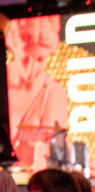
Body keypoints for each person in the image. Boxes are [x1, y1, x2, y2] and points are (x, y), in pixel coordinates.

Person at [5, 15, 68, 173]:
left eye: (40, 59)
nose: (31, 67)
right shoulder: (3, 85)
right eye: (26, 58)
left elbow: (55, 149)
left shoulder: (53, 93)